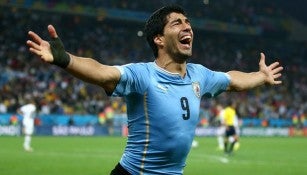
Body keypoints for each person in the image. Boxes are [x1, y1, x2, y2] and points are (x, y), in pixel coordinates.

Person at [26, 4, 283, 175]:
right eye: (177, 23)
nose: (187, 27)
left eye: (188, 22)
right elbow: (102, 72)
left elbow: (233, 79)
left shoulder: (200, 75)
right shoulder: (142, 75)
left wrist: (261, 76)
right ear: (158, 39)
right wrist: (65, 59)